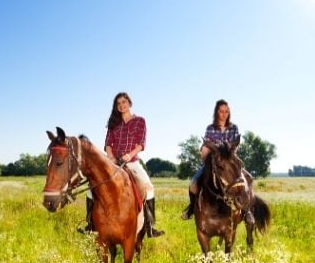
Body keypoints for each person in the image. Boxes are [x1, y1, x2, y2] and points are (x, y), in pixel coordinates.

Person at [80, 92, 164, 237]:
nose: (121, 105)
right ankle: (90, 224)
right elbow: (108, 144)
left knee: (149, 187)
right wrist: (111, 157)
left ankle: (150, 227)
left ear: (129, 103)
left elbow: (141, 143)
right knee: (91, 188)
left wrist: (129, 155)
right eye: (118, 104)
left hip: (131, 162)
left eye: (124, 102)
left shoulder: (139, 121)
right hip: (112, 162)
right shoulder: (114, 124)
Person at [181, 99, 241, 219]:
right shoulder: (210, 128)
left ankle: (246, 210)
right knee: (193, 183)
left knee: (245, 182)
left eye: (226, 111)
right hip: (214, 162)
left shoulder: (234, 128)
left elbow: (235, 146)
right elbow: (207, 145)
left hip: (230, 162)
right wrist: (204, 149)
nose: (224, 114)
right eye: (221, 111)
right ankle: (192, 208)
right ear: (217, 112)